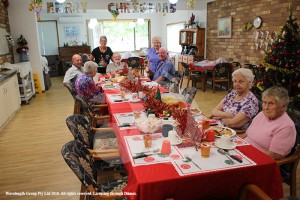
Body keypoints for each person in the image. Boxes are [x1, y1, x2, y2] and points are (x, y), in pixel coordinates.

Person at [244, 86, 296, 159]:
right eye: (264, 102)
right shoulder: (261, 114)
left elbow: (271, 155)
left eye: (271, 103)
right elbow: (246, 135)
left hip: (257, 160)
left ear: (283, 107)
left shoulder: (286, 126)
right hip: (243, 150)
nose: (265, 107)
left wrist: (245, 158)